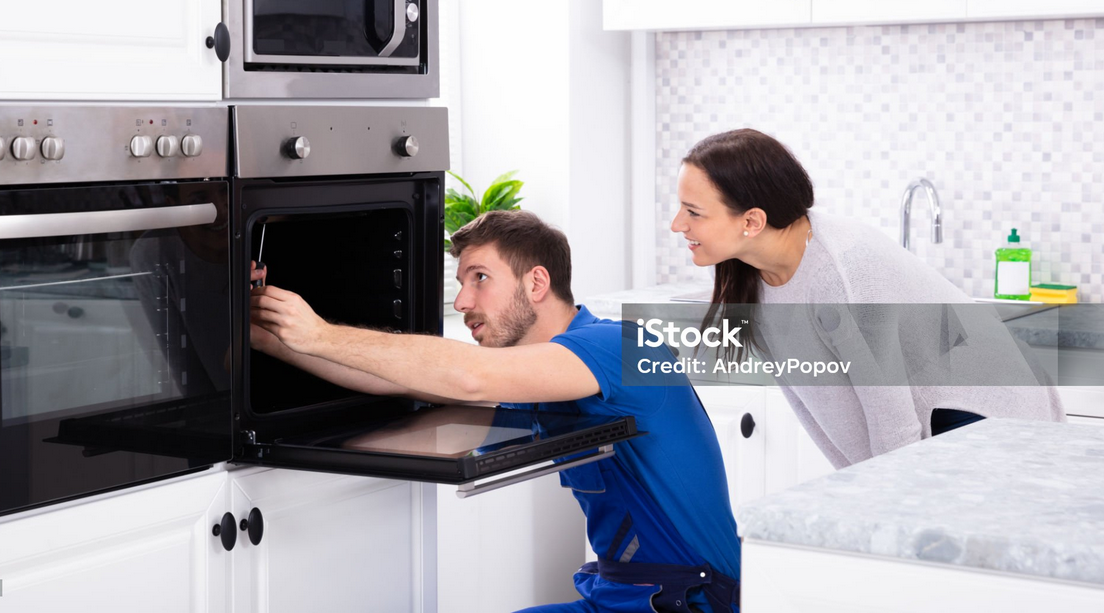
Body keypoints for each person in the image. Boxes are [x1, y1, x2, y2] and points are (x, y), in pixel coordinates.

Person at [250, 210, 741, 613]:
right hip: (624, 596)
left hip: (692, 601)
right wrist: (270, 336)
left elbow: (469, 374)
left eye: (479, 278)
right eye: (462, 282)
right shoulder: (533, 374)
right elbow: (395, 376)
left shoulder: (622, 345)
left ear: (537, 283)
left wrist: (320, 333)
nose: (463, 300)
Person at [669, 128, 1065, 469]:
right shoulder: (745, 270)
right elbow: (812, 402)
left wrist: (885, 502)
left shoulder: (844, 277)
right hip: (928, 420)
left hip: (982, 412)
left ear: (752, 221)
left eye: (694, 212)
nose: (677, 225)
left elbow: (892, 421)